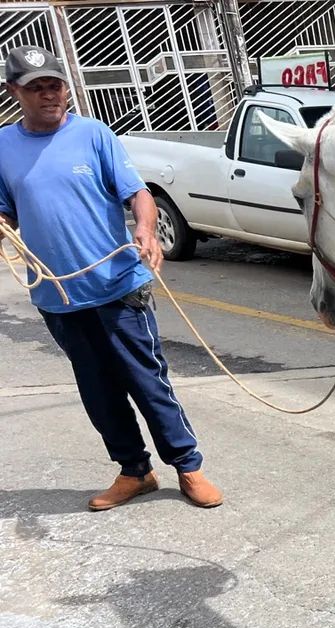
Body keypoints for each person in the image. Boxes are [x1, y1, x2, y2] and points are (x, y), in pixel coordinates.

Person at [0, 46, 223, 511]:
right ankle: (134, 471)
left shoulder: (93, 135)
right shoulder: (3, 147)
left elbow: (137, 193)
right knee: (97, 388)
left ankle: (187, 465)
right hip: (57, 295)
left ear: (66, 88)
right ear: (14, 91)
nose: (49, 95)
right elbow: (7, 214)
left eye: (55, 85)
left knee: (146, 380)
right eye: (37, 87)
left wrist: (145, 229)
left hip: (117, 285)